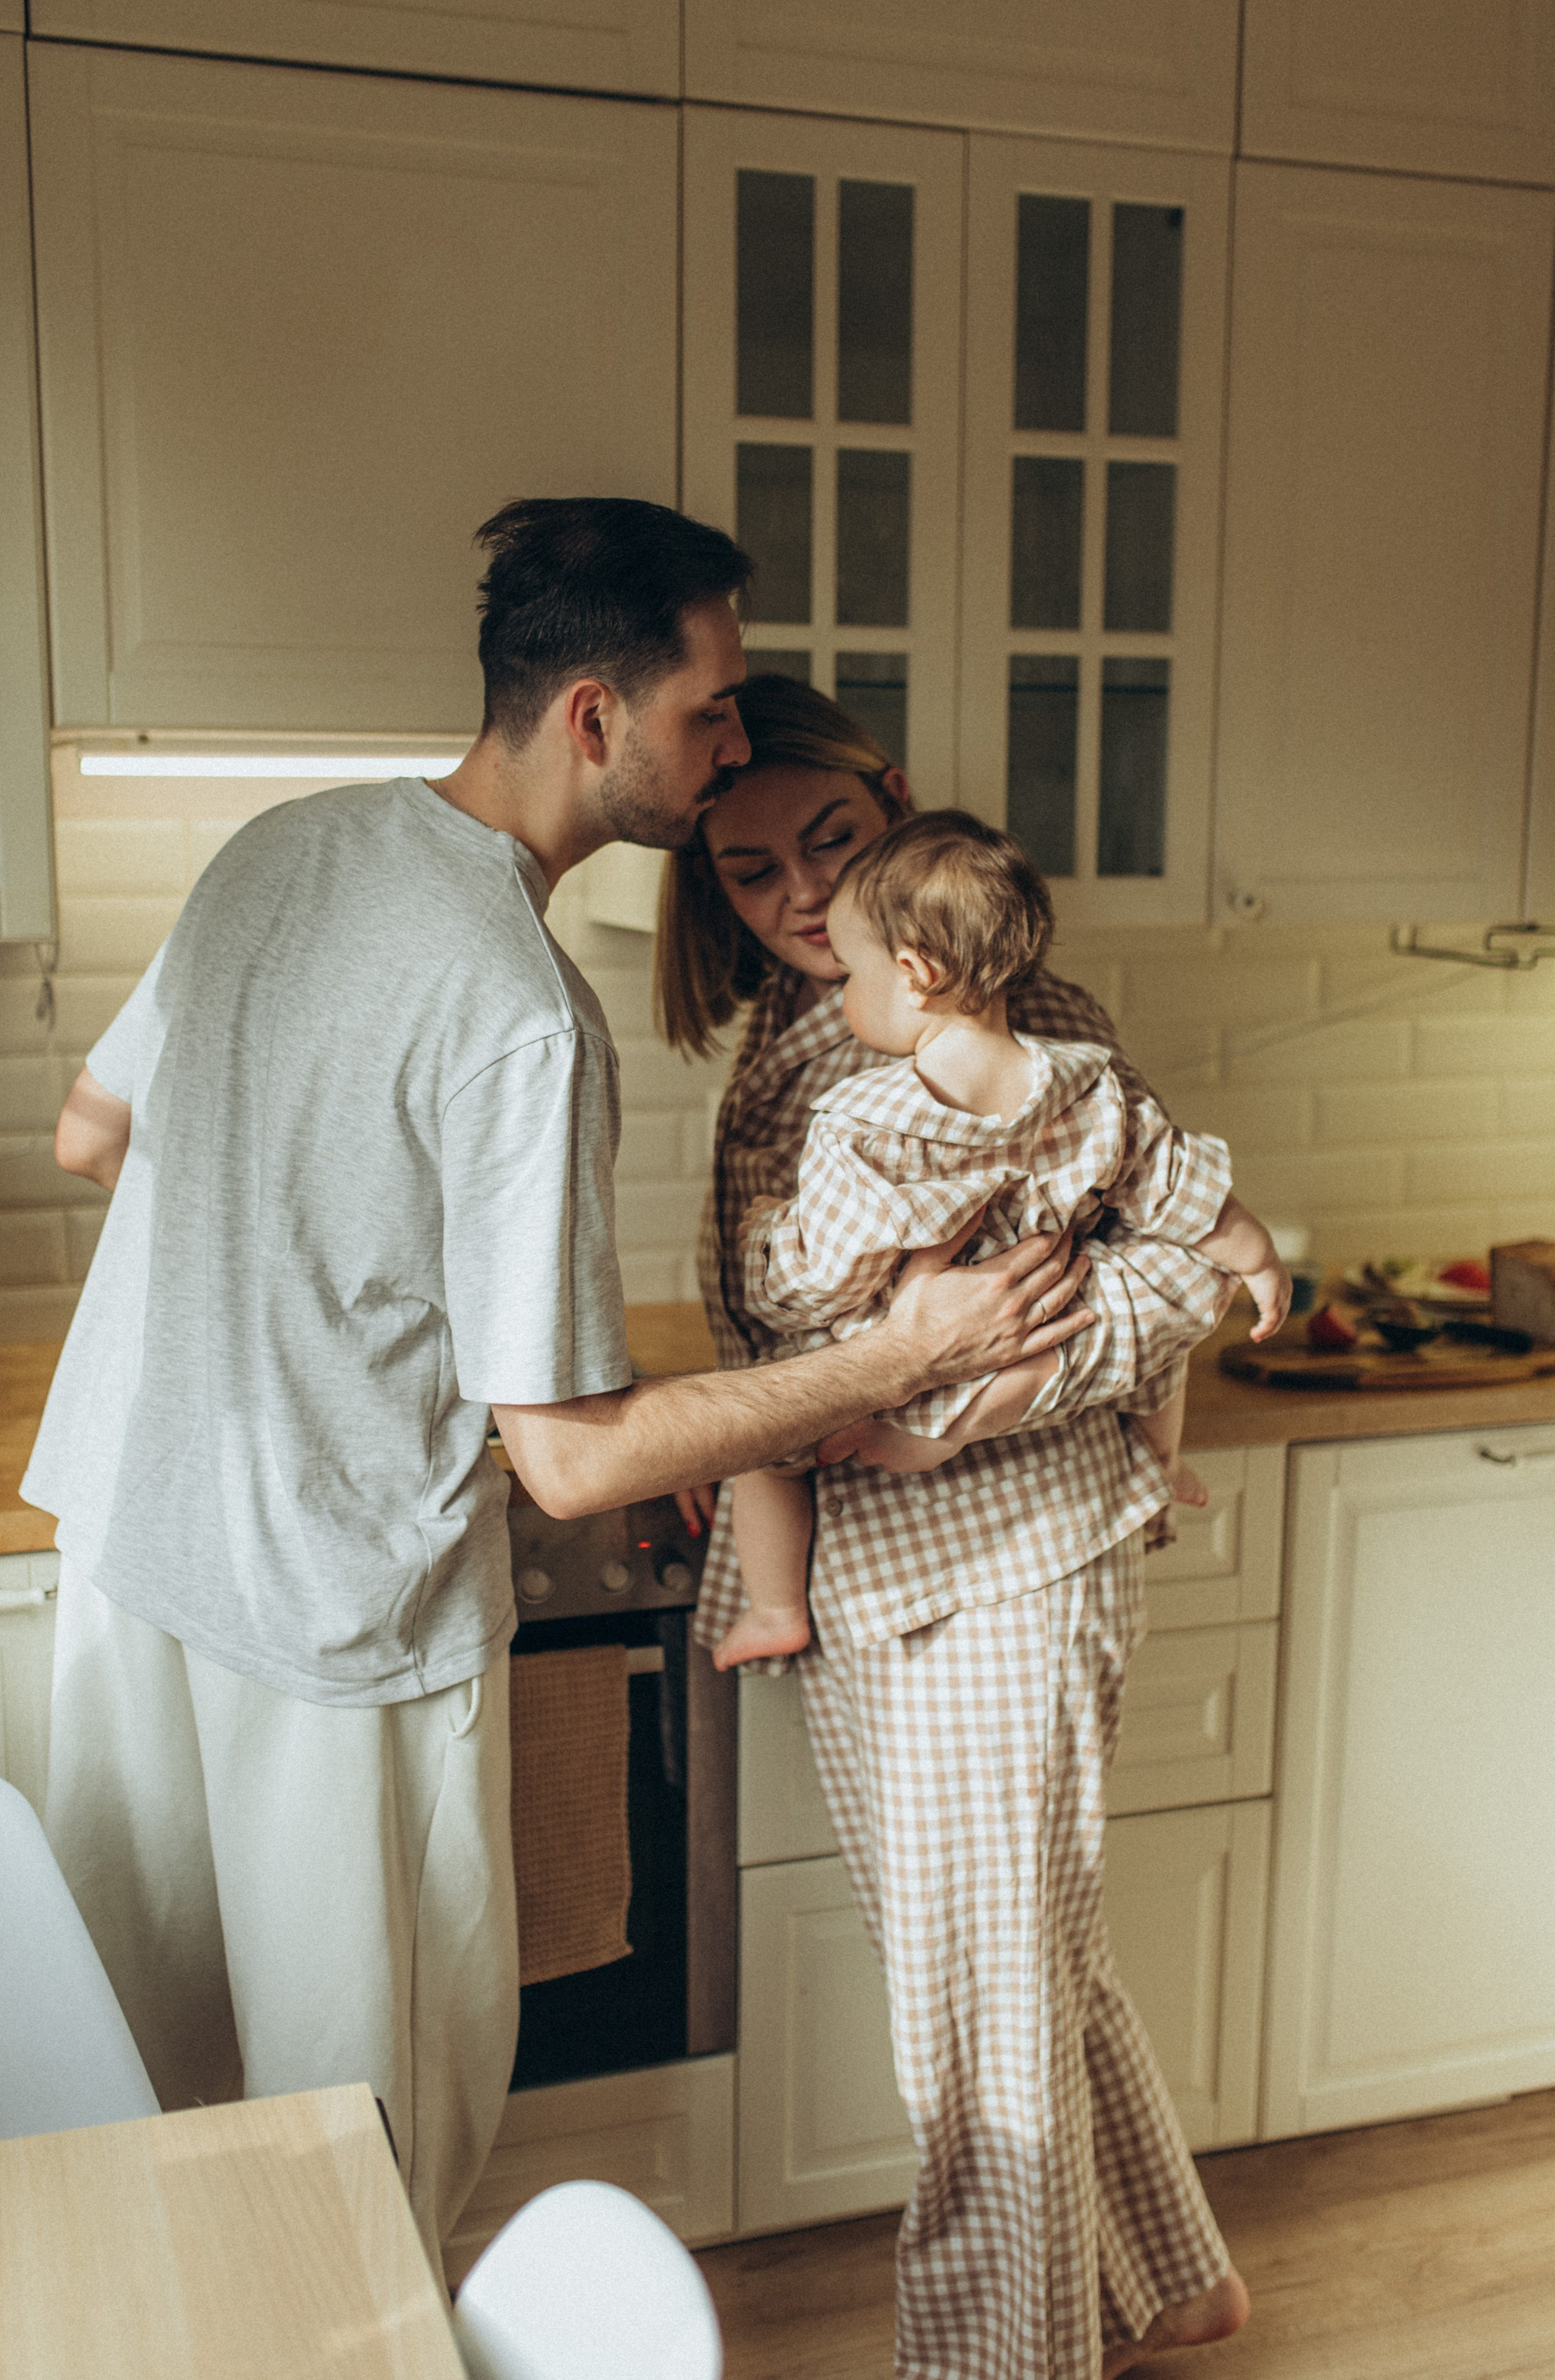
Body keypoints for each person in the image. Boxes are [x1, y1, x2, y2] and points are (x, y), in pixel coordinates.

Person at [24, 503, 1088, 2297]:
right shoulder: (521, 1008)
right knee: (357, 2172)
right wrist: (906, 1355)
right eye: (713, 710)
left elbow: (94, 1130)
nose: (736, 745)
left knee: (147, 2122)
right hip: (326, 1628)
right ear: (595, 716)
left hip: (129, 1567)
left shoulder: (283, 848)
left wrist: (281, 1286)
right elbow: (576, 1456)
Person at [655, 674, 1251, 2380]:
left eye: (828, 848)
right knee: (1019, 1960)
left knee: (975, 2017)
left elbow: (1161, 1274)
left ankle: (1002, 2362)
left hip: (997, 1574)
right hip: (874, 1586)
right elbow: (796, 1333)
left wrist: (942, 1405)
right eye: (749, 870)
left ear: (893, 809)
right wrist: (816, 1410)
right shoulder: (790, 1035)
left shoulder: (1005, 1010)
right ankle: (1174, 2278)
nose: (795, 900)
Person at [718, 808, 1291, 1670]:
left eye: (851, 975)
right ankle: (1161, 1465)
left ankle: (773, 1608)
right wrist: (1257, 1258)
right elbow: (1179, 1190)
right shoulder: (1087, 1084)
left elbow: (823, 1277)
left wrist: (766, 1240)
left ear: (913, 974)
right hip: (1050, 1336)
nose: (842, 996)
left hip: (923, 1361)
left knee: (763, 1433)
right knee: (1159, 1344)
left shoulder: (867, 1119)